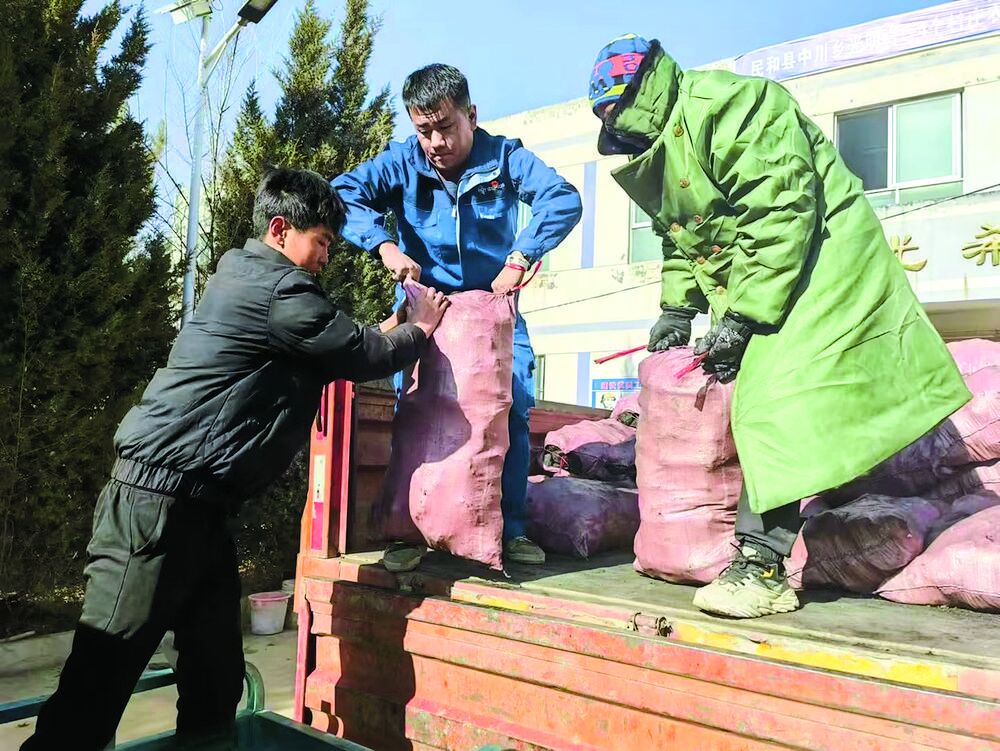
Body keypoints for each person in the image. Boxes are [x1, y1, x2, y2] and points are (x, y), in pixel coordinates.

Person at [22, 168, 449, 750]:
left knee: (215, 675)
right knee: (100, 678)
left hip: (201, 513)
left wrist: (397, 326)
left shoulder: (258, 284)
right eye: (321, 240)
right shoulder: (279, 291)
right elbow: (355, 351)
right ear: (280, 228)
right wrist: (421, 329)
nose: (327, 255)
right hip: (155, 507)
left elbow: (336, 344)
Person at [588, 34, 971, 618]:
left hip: (819, 262)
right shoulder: (666, 138)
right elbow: (682, 235)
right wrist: (678, 307)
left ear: (637, 91)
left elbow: (781, 211)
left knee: (775, 403)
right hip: (768, 278)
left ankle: (762, 567)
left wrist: (743, 314)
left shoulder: (732, 106)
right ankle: (776, 536)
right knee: (767, 407)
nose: (612, 124)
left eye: (613, 110)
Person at [334, 64, 583, 571]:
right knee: (416, 407)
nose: (436, 142)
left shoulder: (505, 158)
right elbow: (342, 195)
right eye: (423, 130)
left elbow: (562, 200)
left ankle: (508, 530)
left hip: (494, 314)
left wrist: (520, 258)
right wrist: (382, 244)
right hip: (429, 311)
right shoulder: (402, 164)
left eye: (446, 126)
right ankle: (407, 530)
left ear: (471, 114)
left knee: (509, 409)